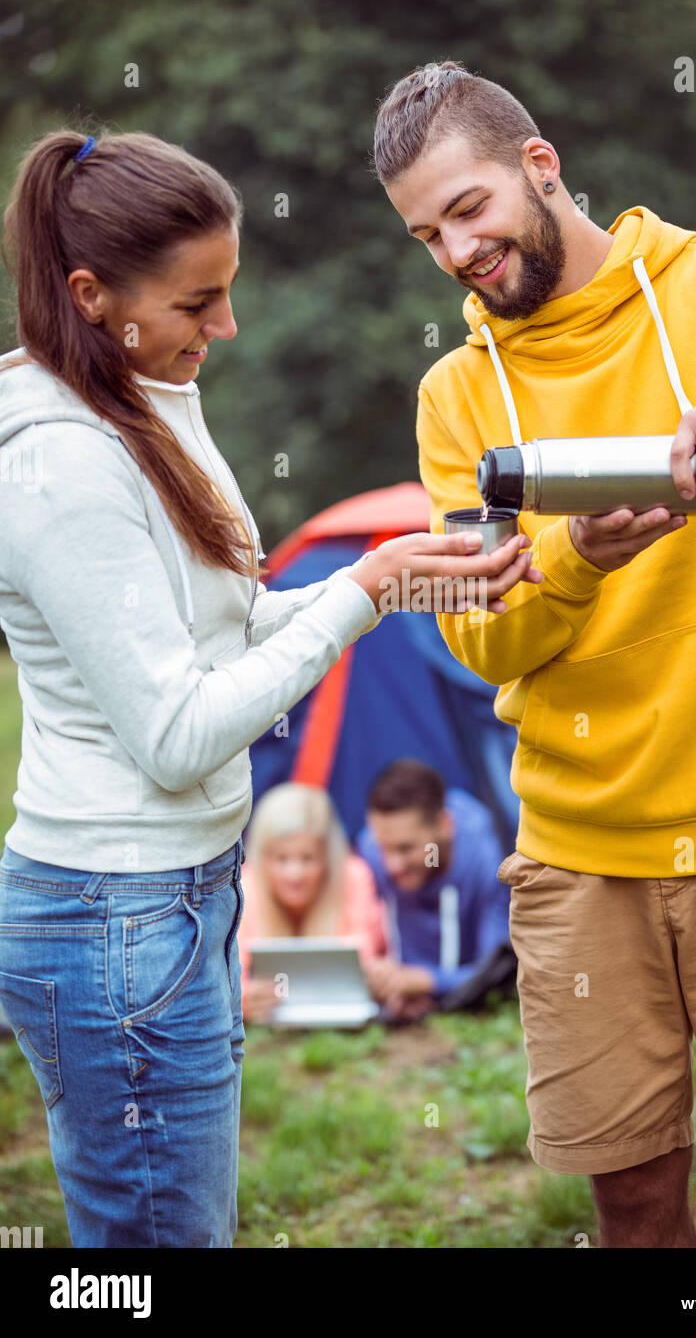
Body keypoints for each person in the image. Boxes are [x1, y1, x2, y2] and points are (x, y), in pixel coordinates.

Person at [0, 128, 539, 1248]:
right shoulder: (60, 464)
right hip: (112, 917)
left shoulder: (140, 402)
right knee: (157, 1246)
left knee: (180, 1228)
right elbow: (179, 732)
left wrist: (385, 583)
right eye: (199, 303)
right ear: (92, 295)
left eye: (228, 293)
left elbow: (227, 627)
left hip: (178, 898)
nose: (226, 327)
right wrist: (360, 591)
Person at [372, 62, 696, 1248]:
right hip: (578, 860)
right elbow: (477, 632)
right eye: (426, 234)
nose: (457, 252)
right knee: (633, 1209)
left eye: (471, 208)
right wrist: (579, 554)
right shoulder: (456, 395)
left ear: (539, 166)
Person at [356, 760, 511, 1020]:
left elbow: (495, 972)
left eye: (406, 848)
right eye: (384, 847)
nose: (392, 865)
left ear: (444, 826)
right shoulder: (370, 849)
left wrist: (427, 982)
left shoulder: (488, 862)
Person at [238, 782, 389, 1024]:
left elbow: (363, 960)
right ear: (262, 858)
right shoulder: (246, 885)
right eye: (281, 859)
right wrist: (244, 998)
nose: (294, 874)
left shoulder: (353, 876)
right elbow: (232, 973)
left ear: (327, 858)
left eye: (308, 859)